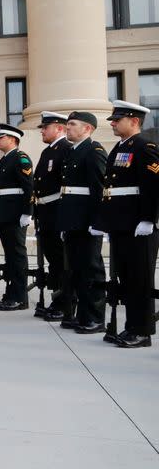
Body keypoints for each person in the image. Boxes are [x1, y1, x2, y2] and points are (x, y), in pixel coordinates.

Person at [94, 100, 159, 347]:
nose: (112, 122)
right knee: (126, 280)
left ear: (134, 121)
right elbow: (109, 190)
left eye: (117, 119)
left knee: (140, 280)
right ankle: (130, 327)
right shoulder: (119, 148)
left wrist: (148, 219)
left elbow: (153, 187)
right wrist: (105, 222)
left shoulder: (145, 146)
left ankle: (141, 331)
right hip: (121, 224)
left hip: (138, 225)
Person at [57, 111, 107, 334]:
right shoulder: (73, 152)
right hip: (73, 220)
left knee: (91, 270)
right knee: (77, 269)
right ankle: (82, 315)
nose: (67, 128)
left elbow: (99, 190)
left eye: (72, 124)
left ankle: (95, 318)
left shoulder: (93, 151)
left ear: (87, 129)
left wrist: (98, 222)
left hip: (87, 221)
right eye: (67, 124)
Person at [33, 112, 73, 321]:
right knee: (53, 261)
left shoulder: (65, 149)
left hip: (57, 211)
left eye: (45, 127)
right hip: (46, 213)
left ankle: (64, 302)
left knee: (61, 261)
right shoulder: (47, 152)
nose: (42, 130)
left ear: (59, 128)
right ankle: (57, 300)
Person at [0, 124, 34, 311]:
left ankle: (20, 296)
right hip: (5, 210)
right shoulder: (4, 160)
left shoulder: (20, 158)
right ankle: (11, 292)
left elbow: (29, 186)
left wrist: (27, 211)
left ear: (13, 140)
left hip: (16, 212)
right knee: (9, 253)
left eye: (2, 137)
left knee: (17, 254)